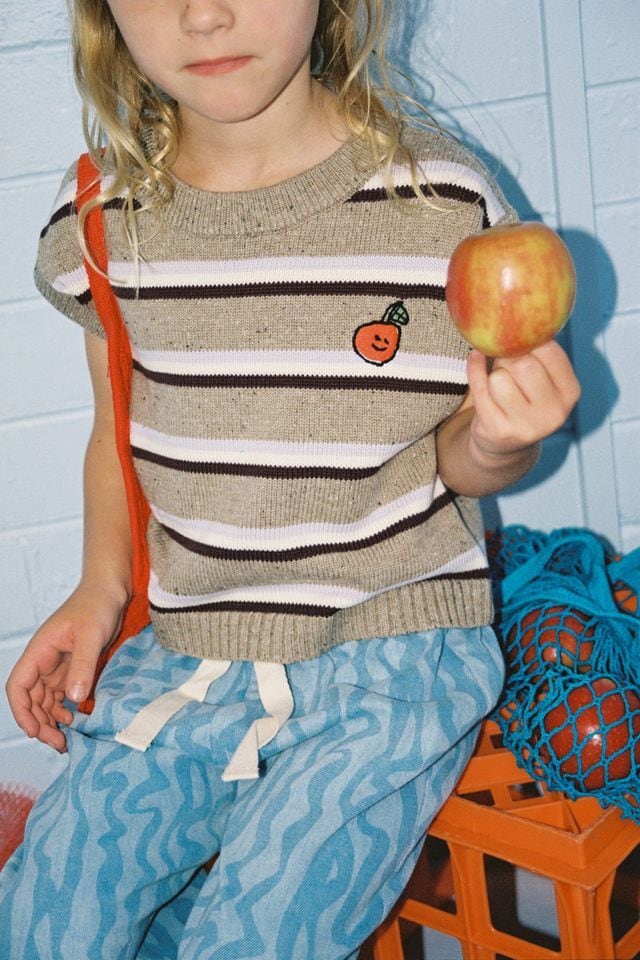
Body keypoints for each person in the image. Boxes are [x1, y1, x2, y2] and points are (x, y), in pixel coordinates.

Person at [0, 1, 581, 958]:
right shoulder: (101, 217)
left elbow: (459, 457)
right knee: (44, 919)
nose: (205, 13)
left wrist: (505, 437)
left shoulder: (442, 204)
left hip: (389, 659)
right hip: (188, 655)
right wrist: (99, 592)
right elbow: (117, 428)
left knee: (253, 937)